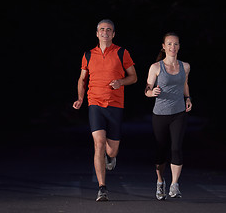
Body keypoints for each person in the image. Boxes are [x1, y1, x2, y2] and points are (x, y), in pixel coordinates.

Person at [73, 19, 137, 201]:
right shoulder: (88, 55)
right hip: (95, 103)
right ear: (97, 33)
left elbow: (133, 77)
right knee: (99, 143)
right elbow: (82, 79)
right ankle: (102, 187)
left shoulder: (121, 52)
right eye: (102, 30)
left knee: (112, 151)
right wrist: (80, 98)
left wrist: (121, 82)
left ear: (113, 34)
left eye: (109, 30)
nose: (105, 33)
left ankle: (111, 157)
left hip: (115, 105)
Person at [144, 32, 192, 200]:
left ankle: (174, 185)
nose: (173, 47)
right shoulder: (156, 67)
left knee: (176, 148)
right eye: (169, 44)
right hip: (160, 115)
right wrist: (152, 93)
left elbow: (185, 84)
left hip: (179, 113)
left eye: (176, 44)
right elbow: (147, 89)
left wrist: (188, 98)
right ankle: (160, 182)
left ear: (179, 46)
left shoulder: (185, 66)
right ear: (164, 47)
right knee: (161, 151)